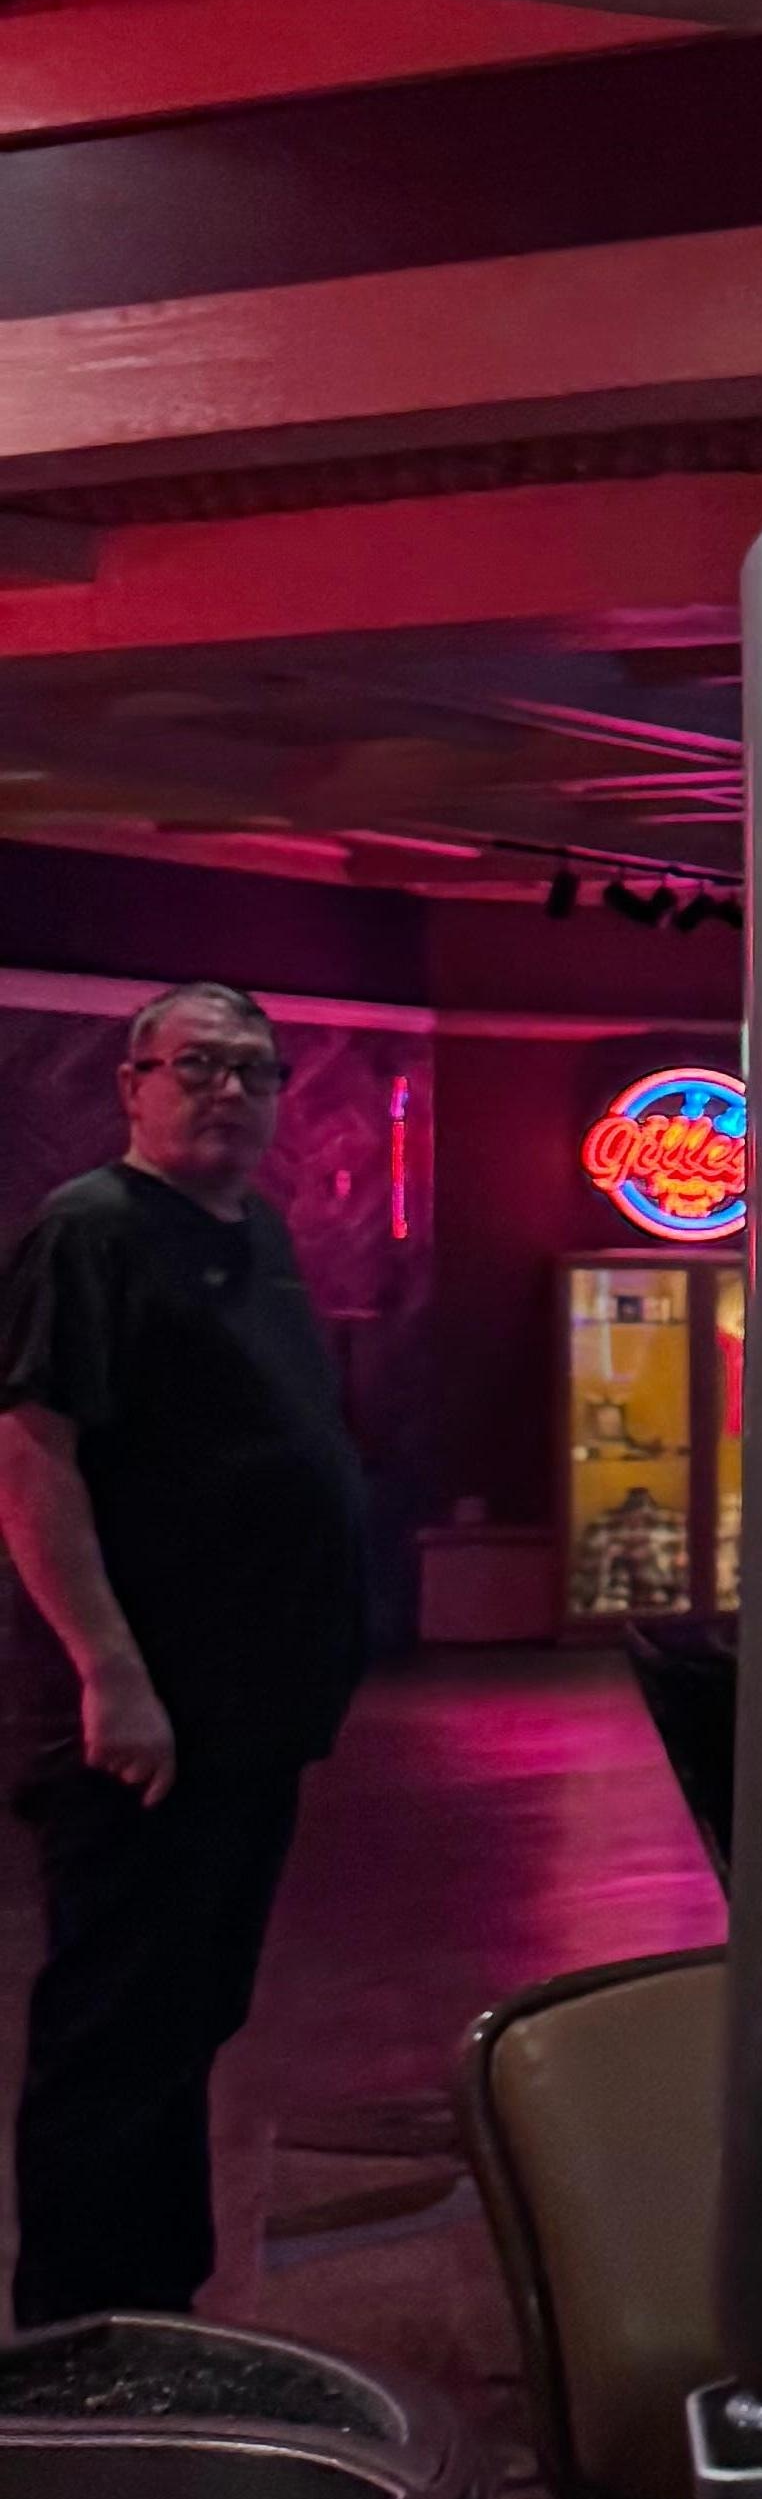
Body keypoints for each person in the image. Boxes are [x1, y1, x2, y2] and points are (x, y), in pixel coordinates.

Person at [0, 984, 367, 2324]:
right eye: (198, 1064)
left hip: (248, 1711)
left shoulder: (255, 1230)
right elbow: (32, 1461)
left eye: (255, 1071)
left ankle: (158, 2299)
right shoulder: (90, 1230)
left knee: (190, 2011)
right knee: (114, 2027)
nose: (228, 1091)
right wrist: (110, 1671)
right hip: (143, 1722)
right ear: (132, 1084)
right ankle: (78, 2334)